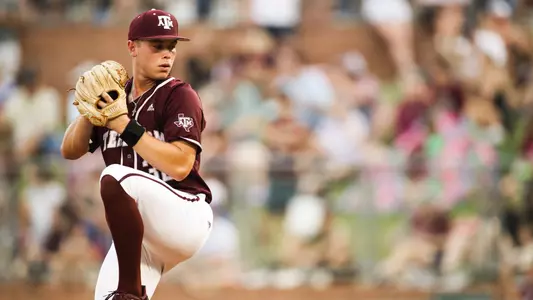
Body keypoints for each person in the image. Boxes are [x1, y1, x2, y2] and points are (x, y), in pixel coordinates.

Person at [60, 8, 213, 300]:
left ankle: (130, 292)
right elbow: (70, 150)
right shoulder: (116, 97)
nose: (167, 54)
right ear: (132, 47)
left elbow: (181, 165)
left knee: (116, 176)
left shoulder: (178, 95)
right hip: (139, 239)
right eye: (157, 46)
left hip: (184, 214)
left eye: (172, 47)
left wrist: (123, 125)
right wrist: (89, 111)